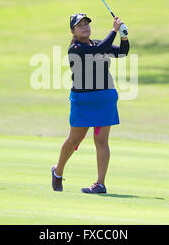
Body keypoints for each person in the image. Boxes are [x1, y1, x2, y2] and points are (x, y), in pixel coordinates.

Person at [51, 13, 129, 193]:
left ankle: (100, 183)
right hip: (84, 101)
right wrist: (114, 30)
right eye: (79, 25)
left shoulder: (97, 43)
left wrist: (124, 36)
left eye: (86, 23)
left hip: (104, 97)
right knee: (74, 139)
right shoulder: (76, 49)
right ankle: (58, 171)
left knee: (101, 141)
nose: (84, 27)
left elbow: (122, 52)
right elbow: (97, 52)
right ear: (73, 31)